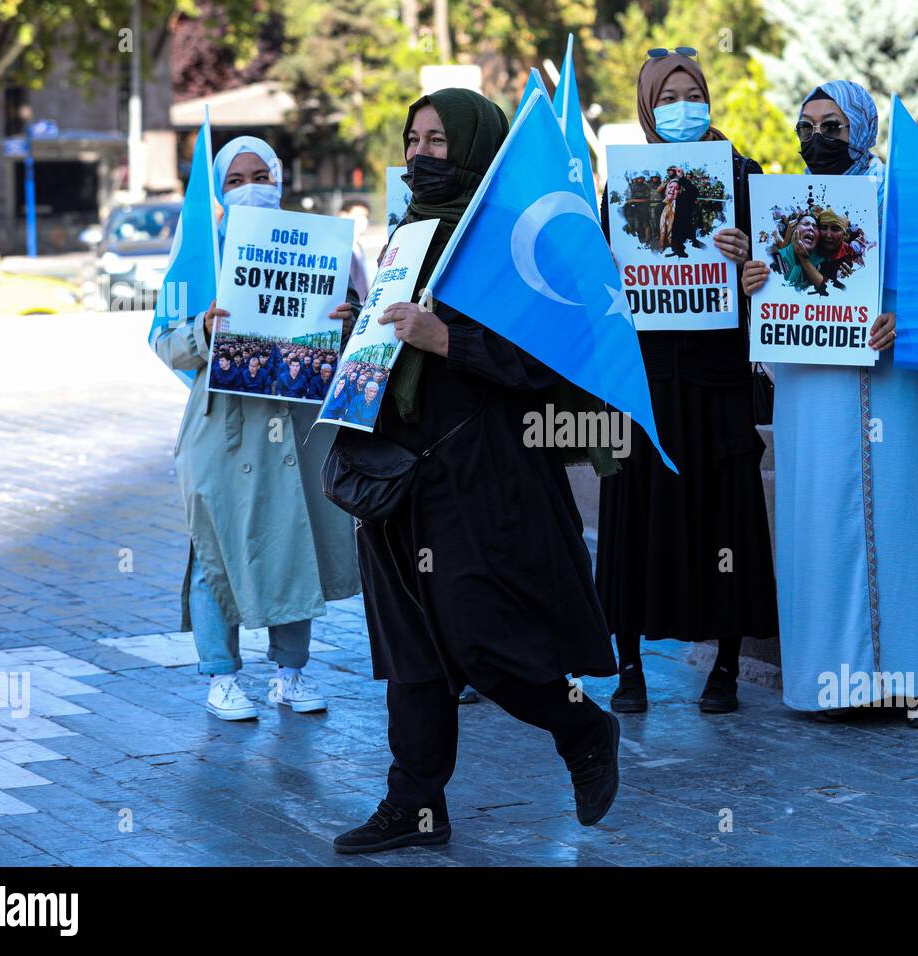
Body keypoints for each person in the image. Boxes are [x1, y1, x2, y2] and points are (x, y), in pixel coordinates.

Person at [332, 88, 620, 855]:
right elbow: (387, 348)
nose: (423, 154)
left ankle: (581, 727)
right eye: (412, 138)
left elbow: (551, 363)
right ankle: (415, 805)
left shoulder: (513, 244)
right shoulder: (406, 235)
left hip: (483, 474)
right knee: (412, 651)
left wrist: (444, 339)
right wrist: (356, 334)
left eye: (439, 140)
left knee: (479, 638)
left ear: (476, 147)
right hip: (397, 475)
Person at [740, 81, 918, 728]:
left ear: (861, 127)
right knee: (818, 521)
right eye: (806, 129)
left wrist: (902, 321)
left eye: (832, 126)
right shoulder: (785, 206)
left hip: (884, 382)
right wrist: (755, 281)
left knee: (896, 519)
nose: (817, 140)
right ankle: (827, 683)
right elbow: (777, 293)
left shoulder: (903, 198)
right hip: (808, 383)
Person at [151, 135, 360, 721]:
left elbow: (361, 332)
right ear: (219, 191)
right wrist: (203, 329)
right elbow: (162, 341)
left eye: (258, 175)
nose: (249, 188)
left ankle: (291, 675)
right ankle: (220, 676)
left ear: (279, 177)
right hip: (223, 428)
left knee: (297, 540)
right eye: (235, 180)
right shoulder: (198, 254)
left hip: (297, 422)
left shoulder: (321, 246)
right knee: (216, 547)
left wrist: (348, 320)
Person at [597, 49, 778, 716]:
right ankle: (628, 666)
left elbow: (781, 278)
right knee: (632, 514)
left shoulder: (744, 176)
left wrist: (753, 266)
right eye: (667, 95)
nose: (681, 105)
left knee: (724, 511)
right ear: (647, 105)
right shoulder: (621, 183)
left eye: (692, 91)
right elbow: (600, 279)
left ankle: (725, 667)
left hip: (716, 378)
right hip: (643, 380)